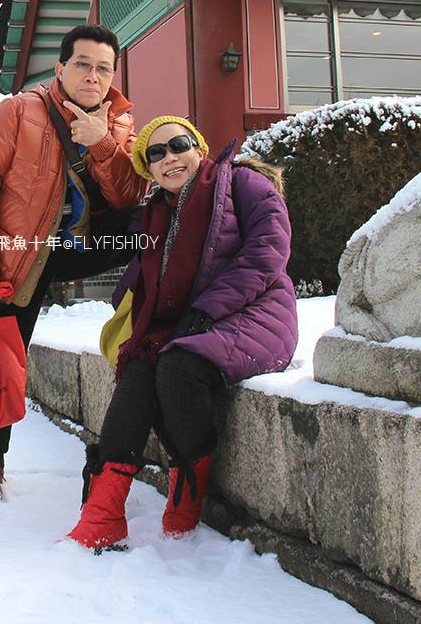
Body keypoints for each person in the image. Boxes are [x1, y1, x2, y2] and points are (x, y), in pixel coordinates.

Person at [65, 116, 298, 549]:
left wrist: (208, 310)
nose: (169, 158)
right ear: (148, 169)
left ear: (199, 148)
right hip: (190, 322)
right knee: (138, 370)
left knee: (177, 369)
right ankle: (101, 516)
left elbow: (268, 254)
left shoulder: (243, 184)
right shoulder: (154, 215)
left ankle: (185, 503)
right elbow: (140, 274)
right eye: (156, 154)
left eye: (178, 145)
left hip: (256, 313)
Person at [0, 24, 151, 501]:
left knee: (150, 222)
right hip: (20, 253)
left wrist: (102, 142)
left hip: (76, 244)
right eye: (82, 64)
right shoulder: (19, 112)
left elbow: (128, 195)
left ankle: (157, 312)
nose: (92, 76)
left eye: (103, 68)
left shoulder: (120, 122)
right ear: (61, 68)